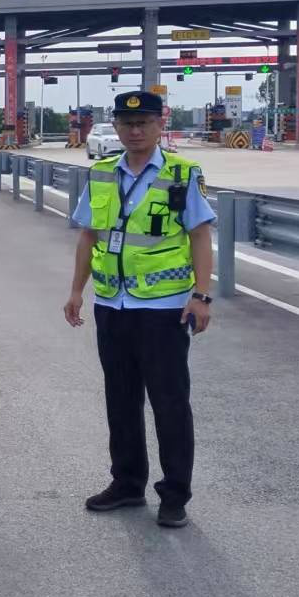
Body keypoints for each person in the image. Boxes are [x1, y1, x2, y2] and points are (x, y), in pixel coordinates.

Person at [63, 90, 215, 529]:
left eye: (144, 123)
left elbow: (200, 236)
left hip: (164, 310)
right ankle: (128, 483)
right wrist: (76, 291)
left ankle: (175, 495)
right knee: (121, 400)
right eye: (127, 124)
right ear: (116, 126)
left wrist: (201, 296)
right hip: (113, 304)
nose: (135, 131)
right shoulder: (102, 173)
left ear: (159, 125)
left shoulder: (182, 174)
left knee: (169, 403)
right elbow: (88, 236)